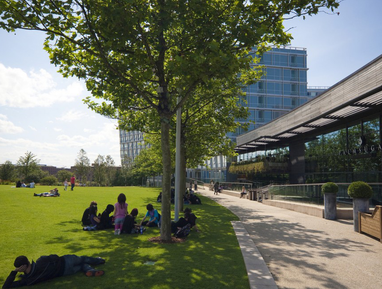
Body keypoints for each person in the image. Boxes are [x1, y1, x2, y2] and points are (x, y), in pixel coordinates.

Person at [3, 254, 105, 288]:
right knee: (83, 259)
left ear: (21, 268)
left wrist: (14, 272)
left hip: (64, 272)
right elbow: (54, 256)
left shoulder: (30, 280)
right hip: (65, 261)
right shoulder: (40, 261)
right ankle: (99, 260)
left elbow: (6, 286)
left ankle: (90, 269)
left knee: (82, 266)